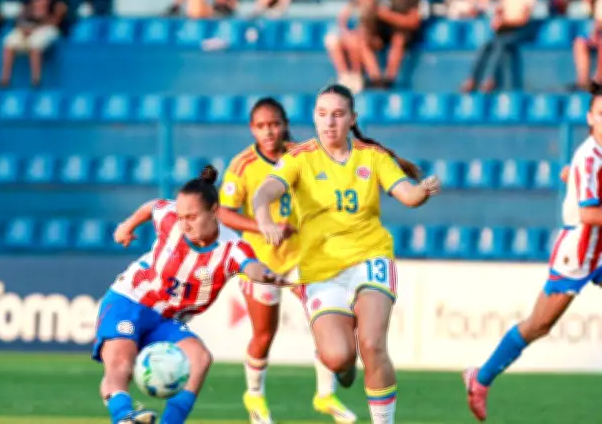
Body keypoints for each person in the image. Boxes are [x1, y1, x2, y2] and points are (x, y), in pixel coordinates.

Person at [252, 83, 441, 424]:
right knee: (338, 357)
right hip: (321, 270)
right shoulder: (299, 158)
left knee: (372, 343)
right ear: (314, 118)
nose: (329, 123)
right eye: (322, 115)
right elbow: (265, 192)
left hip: (370, 258)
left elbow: (409, 196)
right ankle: (344, 368)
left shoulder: (372, 157)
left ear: (352, 118)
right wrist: (264, 218)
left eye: (338, 115)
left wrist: (423, 191)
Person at [96, 166, 289, 424]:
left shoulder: (231, 247)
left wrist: (266, 274)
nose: (183, 224)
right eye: (181, 216)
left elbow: (250, 266)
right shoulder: (170, 219)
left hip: (165, 319)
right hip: (130, 299)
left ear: (214, 212)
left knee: (199, 358)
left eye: (192, 217)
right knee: (121, 363)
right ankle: (123, 417)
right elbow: (154, 206)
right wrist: (127, 226)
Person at [463, 83, 602, 422]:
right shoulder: (589, 157)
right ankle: (480, 380)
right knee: (540, 325)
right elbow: (588, 214)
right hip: (580, 251)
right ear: (590, 117)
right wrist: (574, 175)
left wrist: (569, 177)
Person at [217, 97, 356, 423]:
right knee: (264, 334)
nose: (269, 131)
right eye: (262, 126)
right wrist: (262, 226)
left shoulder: (304, 156)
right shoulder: (242, 166)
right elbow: (223, 213)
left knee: (329, 322)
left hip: (303, 258)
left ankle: (325, 395)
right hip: (261, 262)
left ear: (285, 124)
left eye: (275, 123)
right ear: (252, 129)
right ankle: (254, 398)